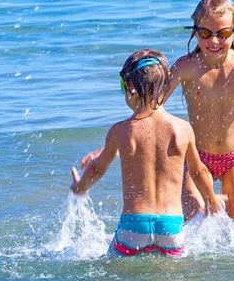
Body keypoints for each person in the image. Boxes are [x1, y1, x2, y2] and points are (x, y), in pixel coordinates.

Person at [82, 0, 234, 221]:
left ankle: (222, 202)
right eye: (205, 33)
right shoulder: (186, 66)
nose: (213, 41)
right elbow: (152, 106)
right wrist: (110, 148)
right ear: (195, 31)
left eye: (222, 34)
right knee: (192, 221)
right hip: (197, 158)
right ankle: (216, 201)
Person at [70, 49, 224, 258]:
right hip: (171, 226)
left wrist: (80, 187)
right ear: (165, 86)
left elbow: (97, 168)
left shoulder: (121, 130)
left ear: (130, 87)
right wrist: (211, 202)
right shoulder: (182, 128)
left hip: (134, 225)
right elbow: (199, 172)